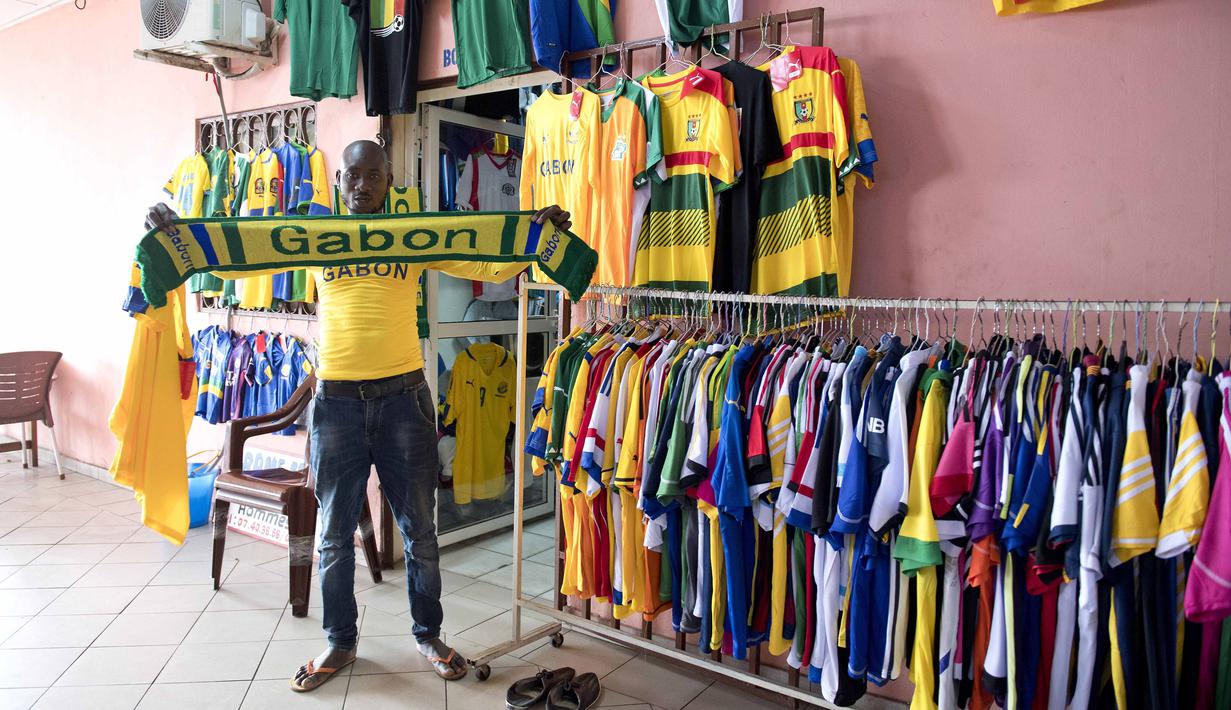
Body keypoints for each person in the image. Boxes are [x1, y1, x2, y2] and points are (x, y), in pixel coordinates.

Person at [145, 140, 572, 692]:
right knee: (333, 533)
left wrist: (539, 236)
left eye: (373, 175)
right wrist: (177, 235)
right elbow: (235, 257)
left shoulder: (413, 234)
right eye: (352, 175)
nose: (363, 185)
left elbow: (487, 259)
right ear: (339, 181)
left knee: (420, 531)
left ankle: (429, 636)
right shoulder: (312, 237)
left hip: (404, 401)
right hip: (337, 405)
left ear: (389, 180)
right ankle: (339, 642)